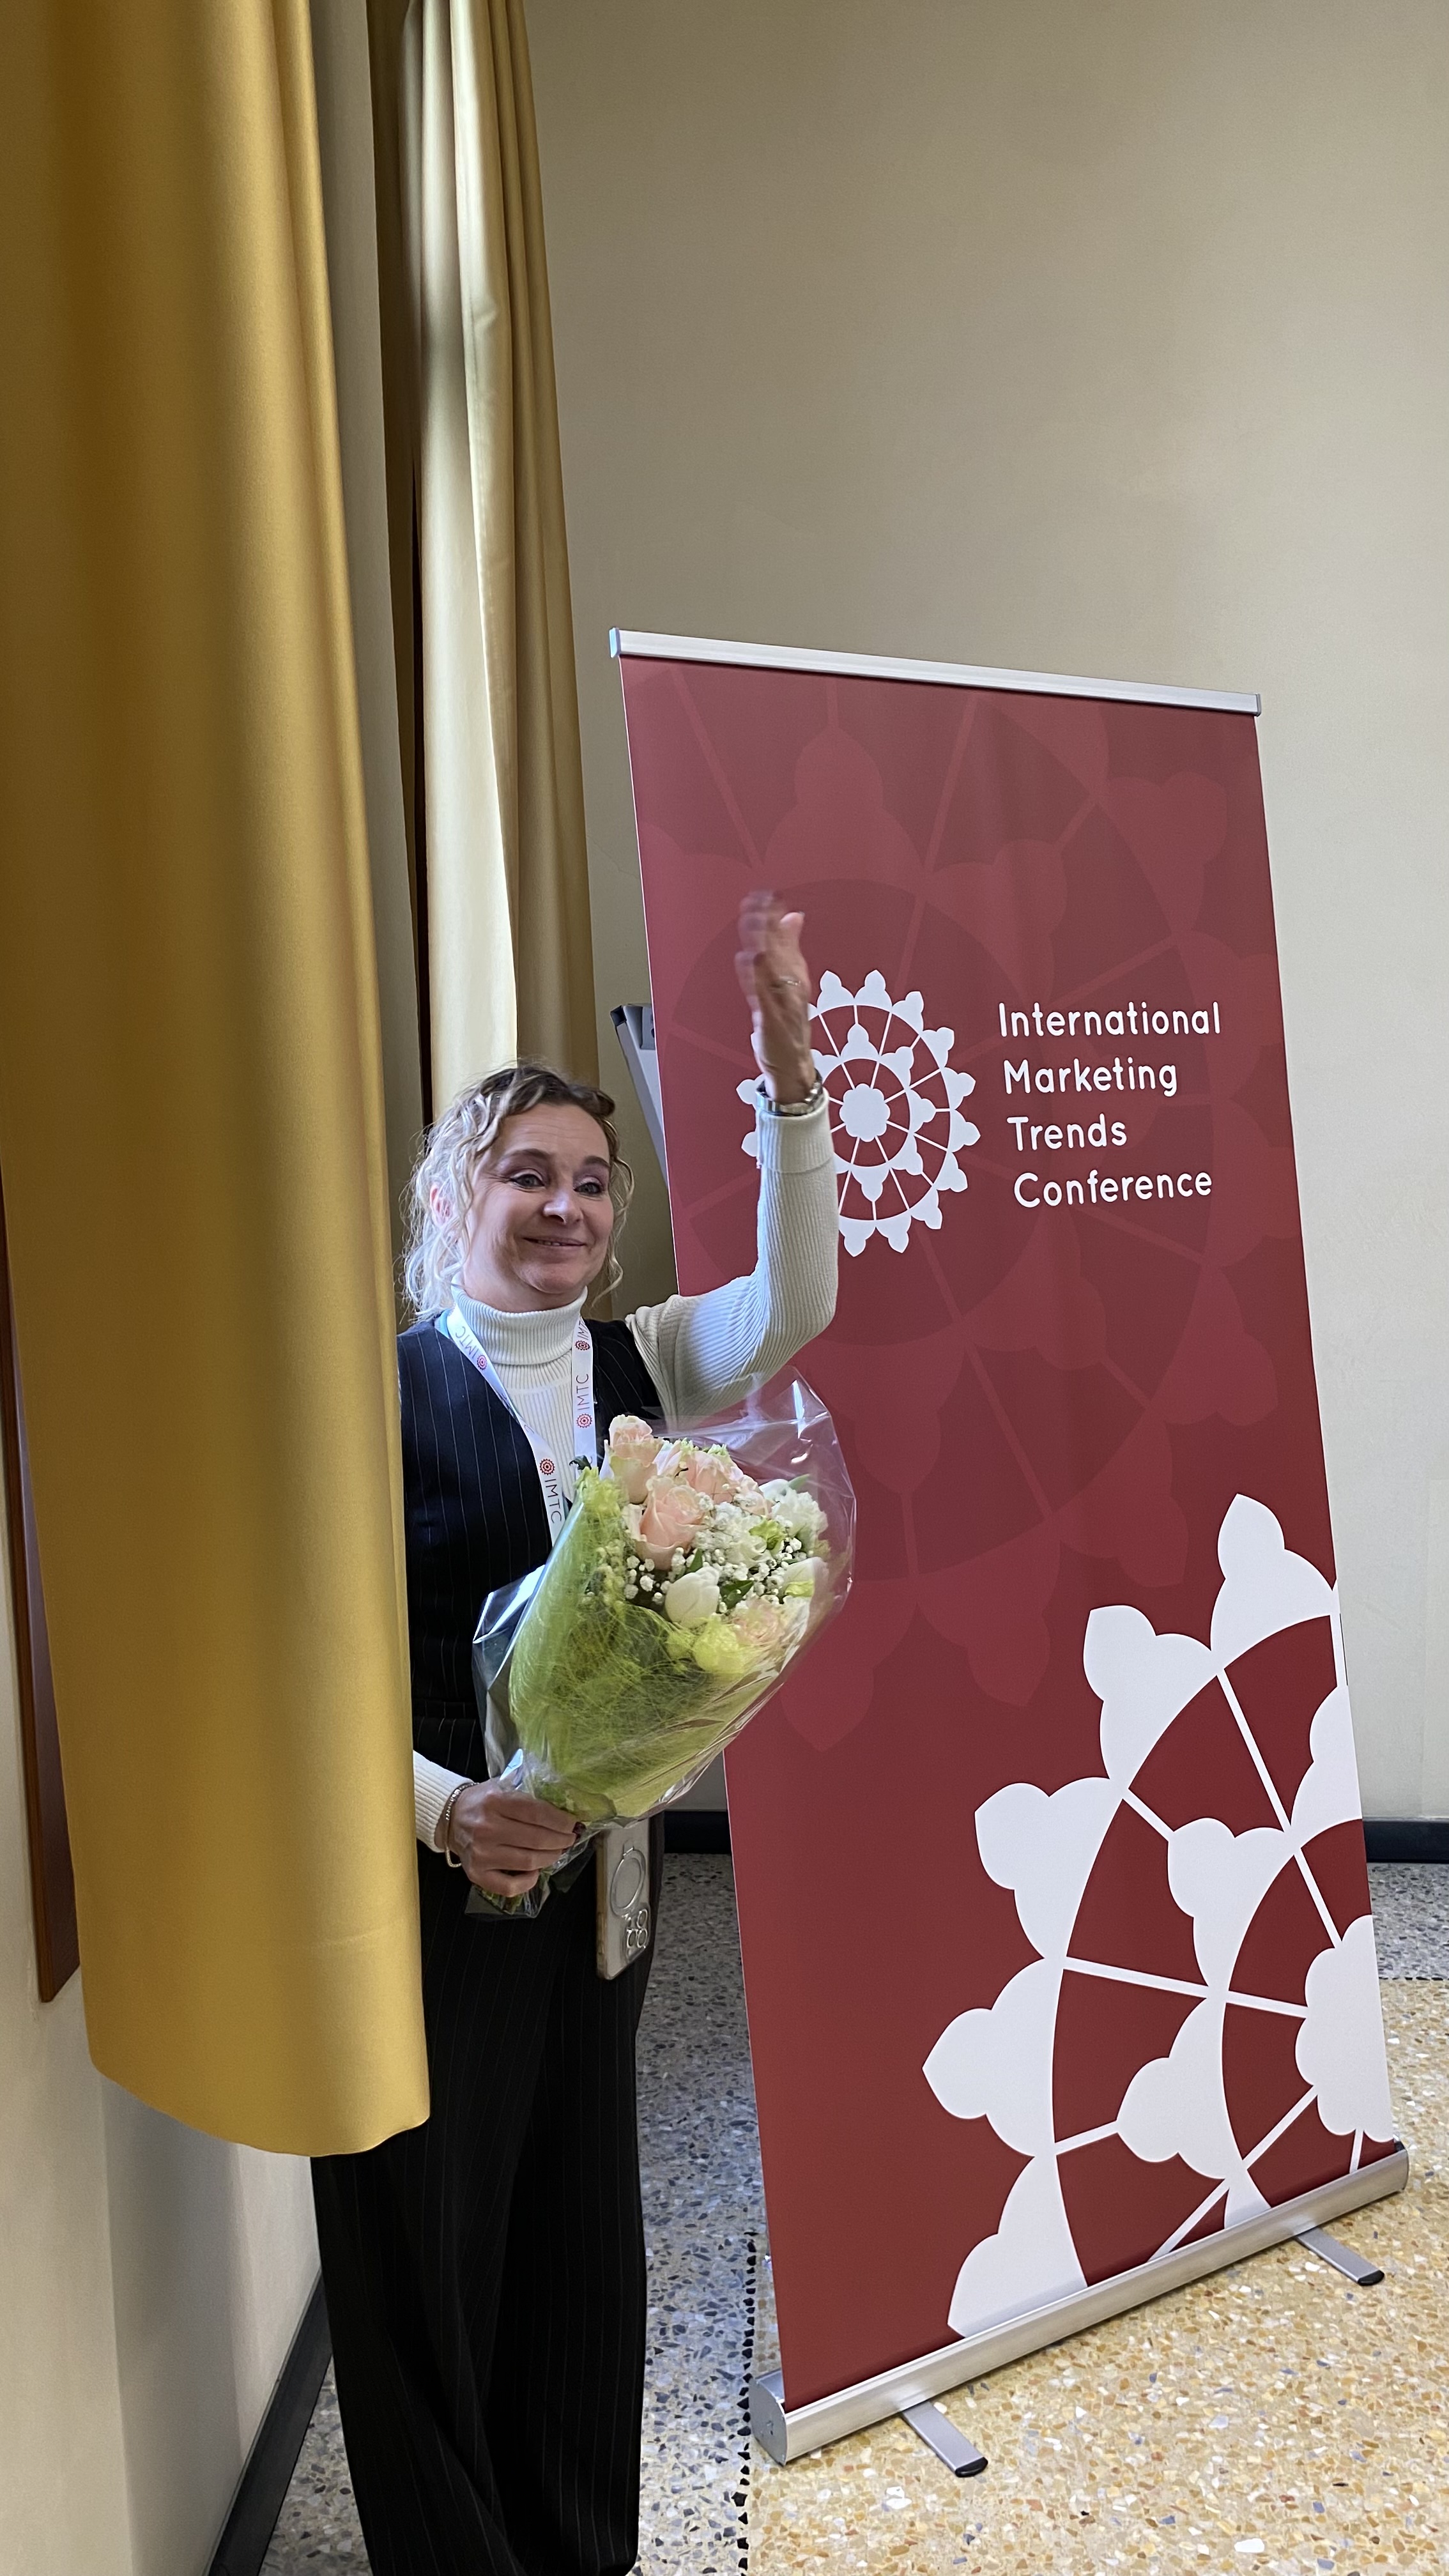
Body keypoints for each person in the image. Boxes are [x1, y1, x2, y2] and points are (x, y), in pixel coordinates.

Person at [311, 893, 838, 2576]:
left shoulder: (644, 1359)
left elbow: (799, 1298)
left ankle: (574, 2543)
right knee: (419, 2239)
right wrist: (442, 1808)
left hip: (601, 1886)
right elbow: (299, 1674)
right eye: (524, 1173)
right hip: (423, 1892)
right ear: (450, 1197)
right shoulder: (367, 1392)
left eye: (592, 1181)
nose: (563, 1205)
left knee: (575, 2234)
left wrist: (787, 1070)